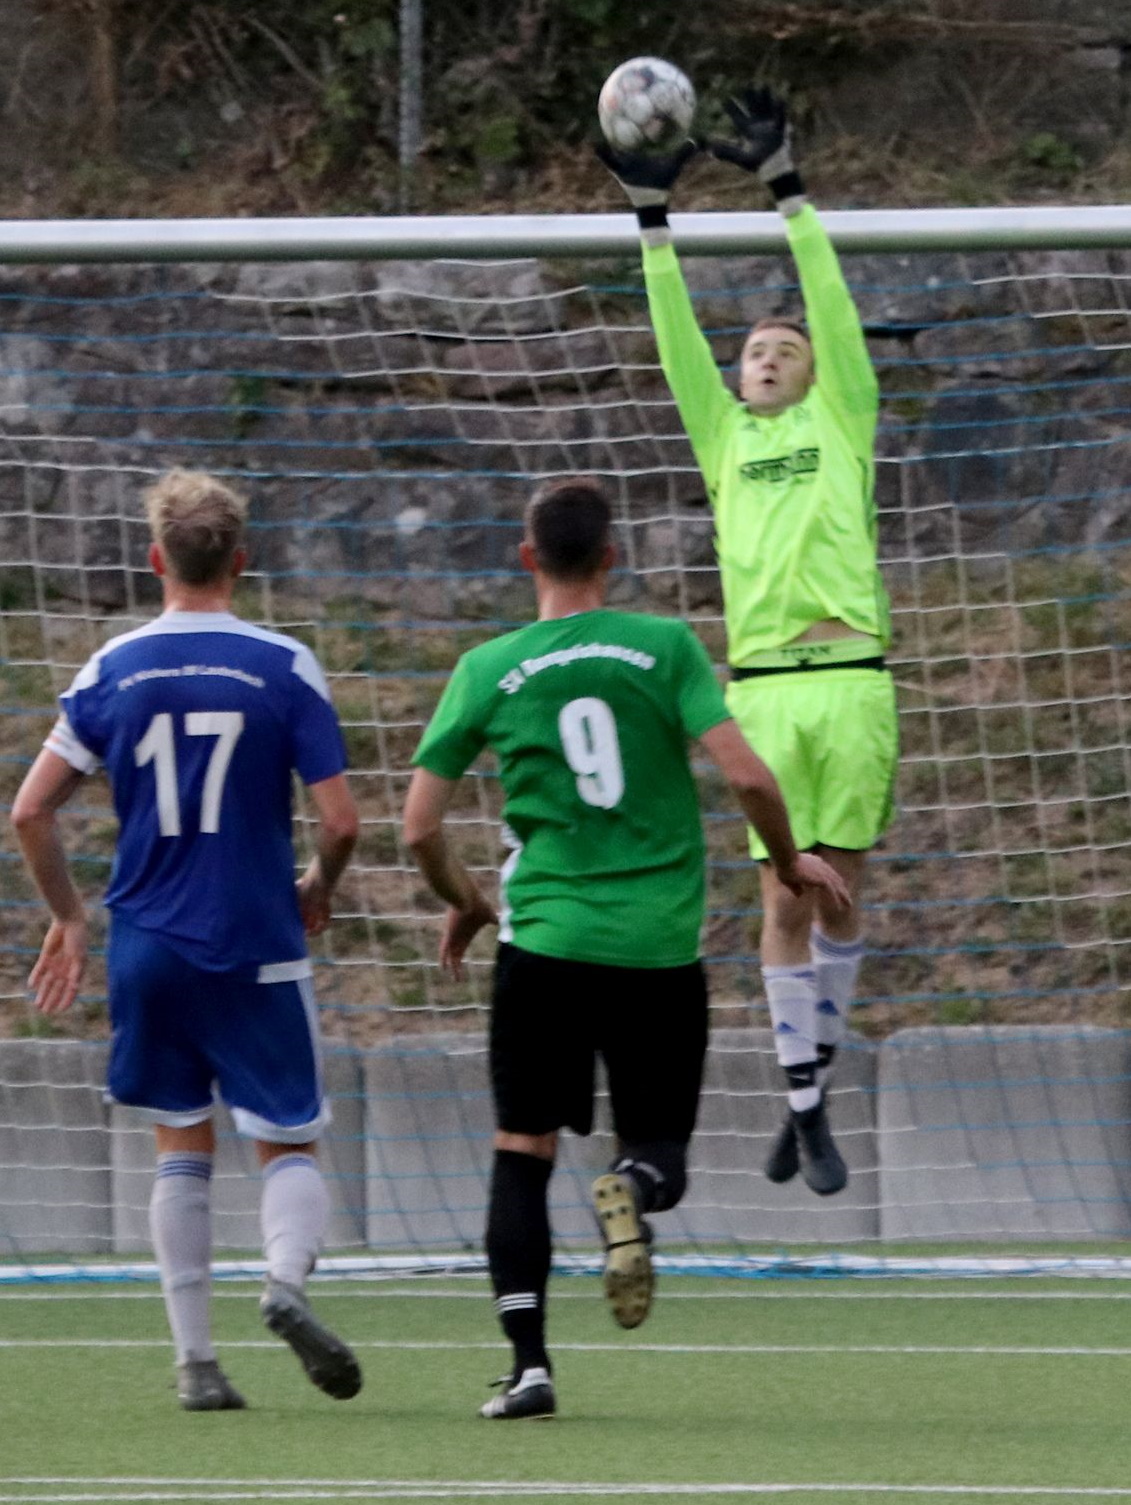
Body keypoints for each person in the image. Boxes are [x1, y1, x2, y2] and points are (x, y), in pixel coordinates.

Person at [402, 476, 849, 1420]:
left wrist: (468, 899)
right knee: (662, 1156)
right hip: (654, 950)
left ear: (528, 558)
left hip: (545, 944)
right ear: (612, 557)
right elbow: (748, 776)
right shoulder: (665, 646)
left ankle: (528, 1366)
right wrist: (788, 857)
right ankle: (628, 1184)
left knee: (520, 1149)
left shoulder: (488, 668)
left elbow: (413, 829)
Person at [598, 87, 898, 1197]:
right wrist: (651, 217)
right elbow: (676, 338)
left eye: (782, 347)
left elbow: (828, 297)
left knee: (843, 895)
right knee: (779, 894)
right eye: (754, 350)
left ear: (819, 370)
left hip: (855, 682)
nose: (764, 356)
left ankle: (807, 1087)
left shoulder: (841, 418)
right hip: (765, 689)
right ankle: (807, 1107)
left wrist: (788, 189)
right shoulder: (724, 439)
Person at [11, 469, 363, 1412]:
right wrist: (316, 890)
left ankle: (196, 1364)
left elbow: (31, 811)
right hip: (255, 937)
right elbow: (339, 822)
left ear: (155, 558)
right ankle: (284, 1284)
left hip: (148, 945)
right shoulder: (284, 665)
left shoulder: (112, 668)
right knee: (288, 1142)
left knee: (181, 1145)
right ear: (240, 562)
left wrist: (70, 918)